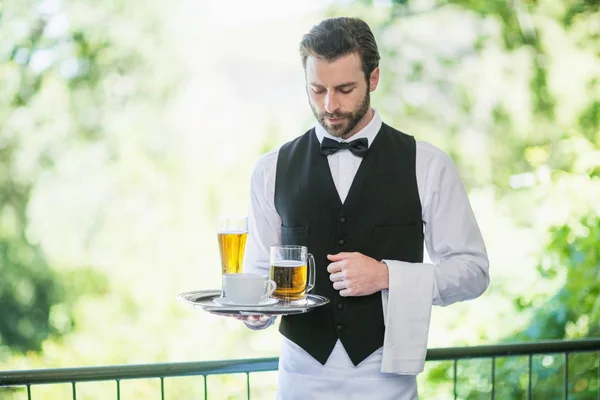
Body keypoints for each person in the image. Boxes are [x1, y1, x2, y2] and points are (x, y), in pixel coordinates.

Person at [240, 17, 490, 399]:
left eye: (344, 89)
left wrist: (387, 275)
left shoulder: (427, 164)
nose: (329, 105)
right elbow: (261, 273)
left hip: (387, 380)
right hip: (301, 380)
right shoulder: (270, 169)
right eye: (317, 89)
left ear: (373, 79)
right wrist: (256, 313)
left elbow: (473, 272)